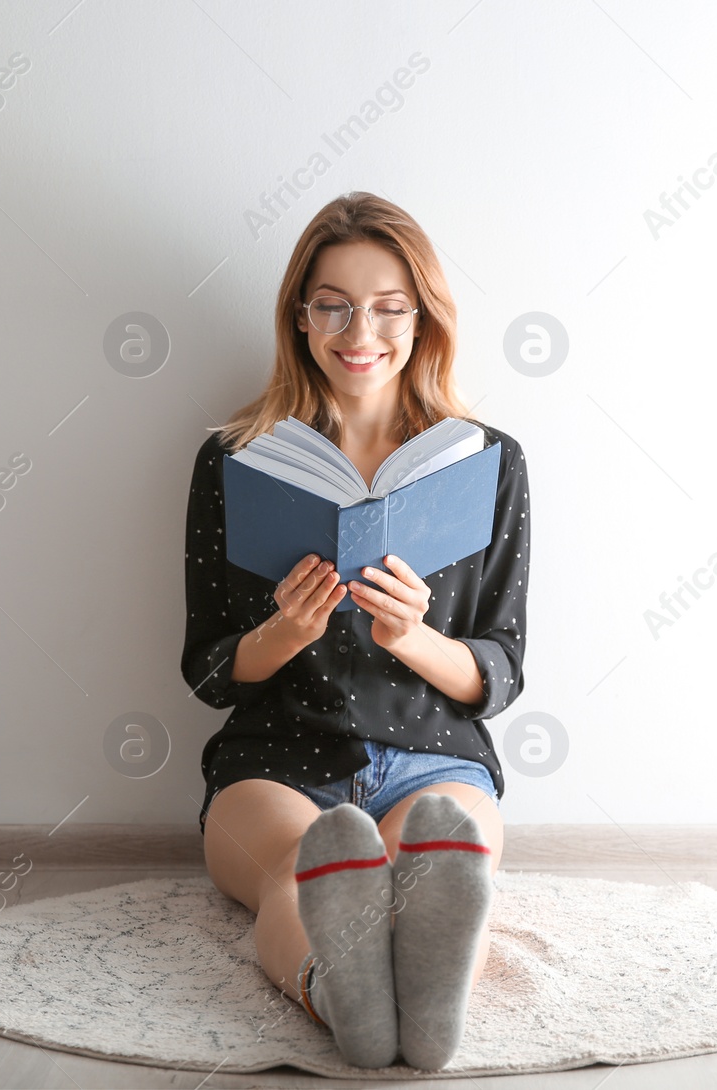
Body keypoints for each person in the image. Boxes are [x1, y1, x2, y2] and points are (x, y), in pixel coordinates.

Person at [180, 191, 531, 1069]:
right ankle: (345, 1000)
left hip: (435, 752)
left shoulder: (485, 463)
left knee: (450, 870)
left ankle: (425, 999)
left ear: (422, 320)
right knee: (297, 863)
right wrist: (286, 632)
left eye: (387, 306)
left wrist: (411, 634)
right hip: (277, 754)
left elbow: (503, 669)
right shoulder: (237, 457)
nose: (357, 329)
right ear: (300, 317)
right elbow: (211, 668)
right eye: (332, 303)